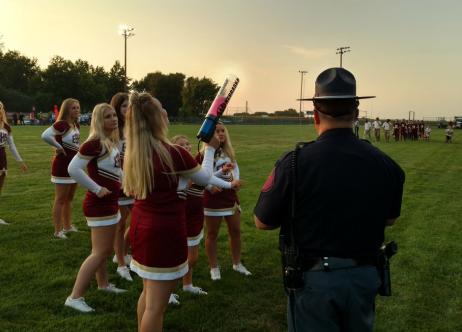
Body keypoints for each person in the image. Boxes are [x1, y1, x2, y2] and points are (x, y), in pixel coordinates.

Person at [254, 67, 405, 332]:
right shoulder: (385, 164)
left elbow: (262, 221)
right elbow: (390, 218)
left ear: (315, 114)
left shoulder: (294, 163)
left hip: (314, 282)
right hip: (364, 276)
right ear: (356, 113)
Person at [123, 92, 221, 332]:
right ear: (157, 119)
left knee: (148, 296)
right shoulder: (173, 152)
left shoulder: (134, 152)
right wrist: (209, 150)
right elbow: (205, 179)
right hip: (164, 232)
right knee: (156, 306)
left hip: (141, 227)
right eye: (161, 109)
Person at [65, 103, 126, 313]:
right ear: (99, 120)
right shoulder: (93, 144)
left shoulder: (111, 142)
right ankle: (74, 297)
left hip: (110, 203)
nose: (114, 119)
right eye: (108, 116)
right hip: (99, 205)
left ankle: (103, 284)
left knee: (103, 250)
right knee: (100, 252)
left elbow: (117, 171)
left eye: (114, 116)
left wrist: (127, 185)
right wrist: (97, 188)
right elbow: (73, 168)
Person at [171, 135, 240, 302]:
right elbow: (201, 179)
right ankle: (166, 290)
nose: (187, 146)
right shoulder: (177, 166)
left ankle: (187, 285)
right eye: (181, 145)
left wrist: (225, 177)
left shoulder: (191, 165)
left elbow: (205, 177)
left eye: (188, 144)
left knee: (191, 255)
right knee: (185, 256)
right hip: (182, 213)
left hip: (196, 212)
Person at [202, 122, 251, 280]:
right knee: (212, 234)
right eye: (216, 131)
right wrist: (210, 187)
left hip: (229, 198)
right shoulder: (204, 154)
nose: (220, 134)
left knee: (235, 231)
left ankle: (237, 264)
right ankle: (214, 268)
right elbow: (201, 177)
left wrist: (235, 181)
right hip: (213, 200)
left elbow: (235, 168)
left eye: (223, 131)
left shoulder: (228, 151)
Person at [41, 98, 81, 239]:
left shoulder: (76, 124)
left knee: (69, 198)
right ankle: (58, 231)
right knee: (60, 199)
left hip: (74, 166)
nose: (76, 110)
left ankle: (68, 226)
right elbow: (45, 135)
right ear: (66, 110)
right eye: (73, 108)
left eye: (77, 107)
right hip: (62, 165)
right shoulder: (62, 124)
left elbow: (75, 144)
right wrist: (58, 147)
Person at [110, 92, 133, 282]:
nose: (128, 109)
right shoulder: (112, 130)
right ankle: (121, 264)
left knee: (138, 220)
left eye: (130, 106)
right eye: (124, 106)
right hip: (120, 180)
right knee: (121, 222)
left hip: (135, 179)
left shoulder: (134, 128)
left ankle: (124, 252)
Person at [0, 101, 28, 225]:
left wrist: (20, 161)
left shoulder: (6, 127)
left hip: (1, 157)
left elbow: (11, 146)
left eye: (1, 108)